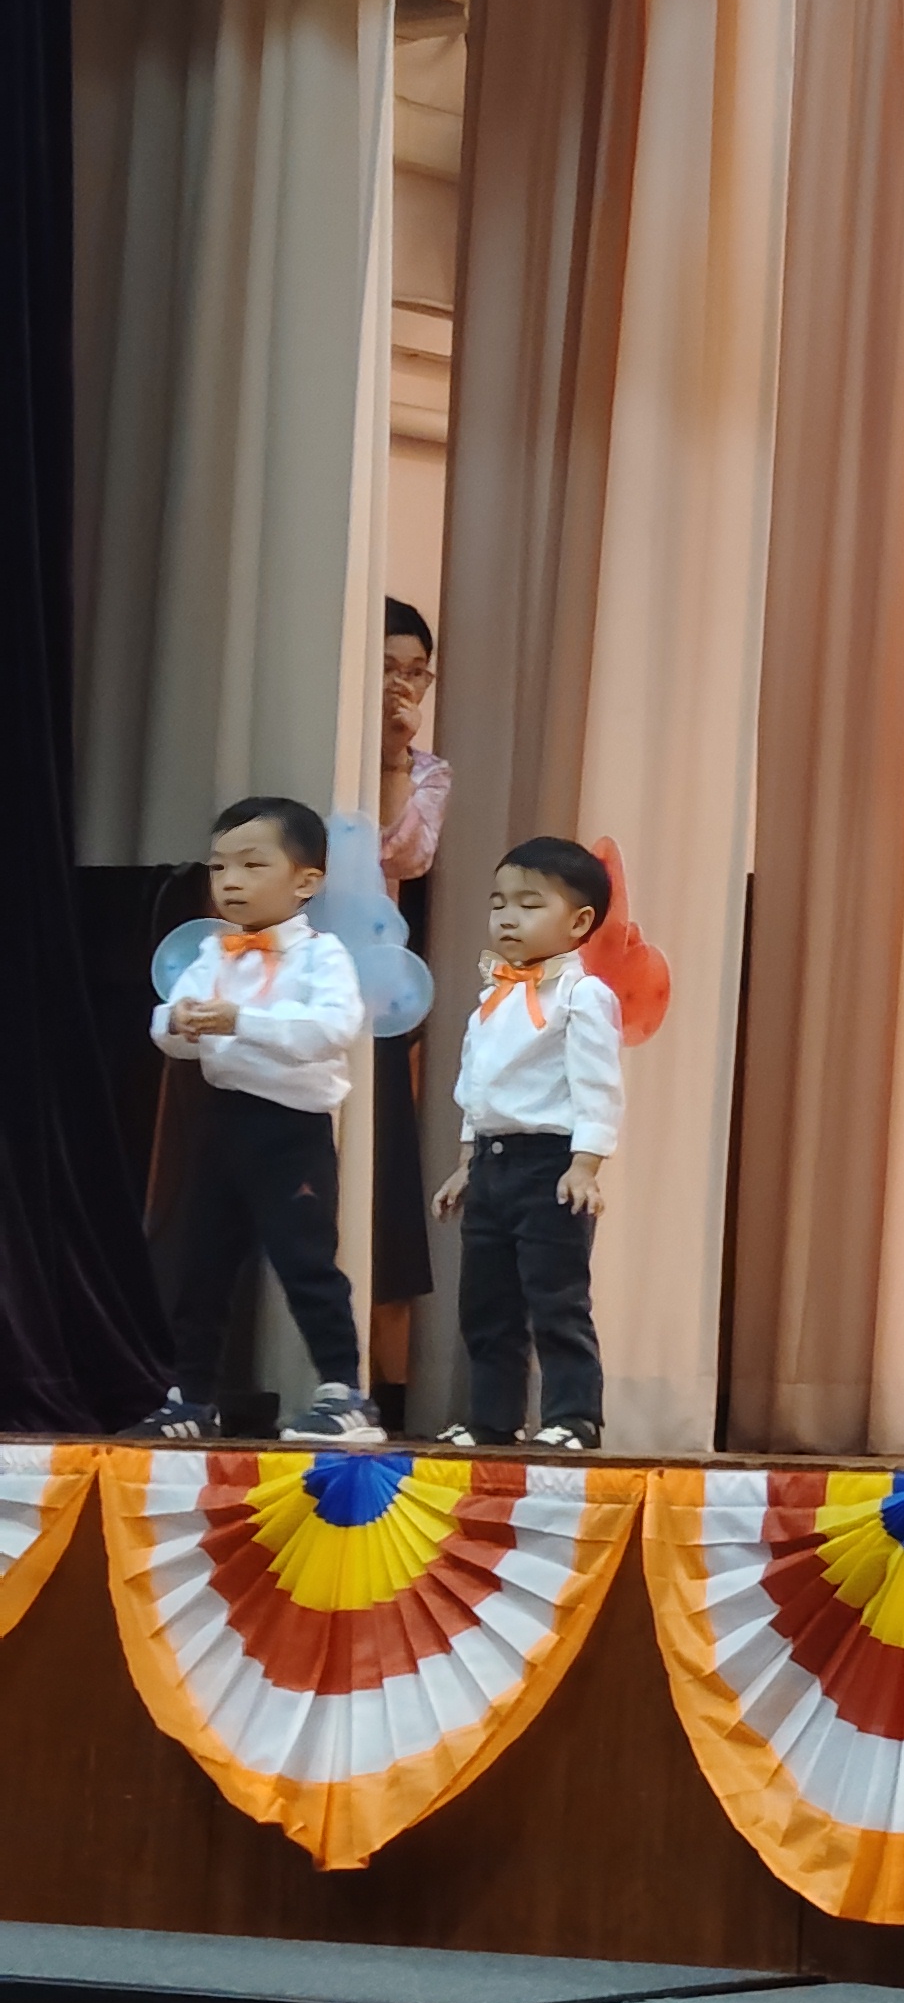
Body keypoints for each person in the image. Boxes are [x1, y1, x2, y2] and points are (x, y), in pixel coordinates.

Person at [134, 798, 379, 1446]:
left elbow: (332, 1030)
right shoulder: (213, 952)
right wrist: (178, 1022)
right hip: (222, 1123)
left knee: (306, 1264)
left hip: (291, 1132)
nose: (231, 882)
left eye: (251, 865)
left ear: (306, 881)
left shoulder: (323, 956)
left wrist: (241, 1020)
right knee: (203, 1264)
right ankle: (192, 1398)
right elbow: (167, 1028)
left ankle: (345, 1395)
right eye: (219, 868)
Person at [436, 836, 626, 1449]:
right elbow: (477, 1088)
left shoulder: (582, 995)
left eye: (529, 904)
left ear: (579, 922)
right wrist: (466, 1163)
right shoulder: (491, 998)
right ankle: (494, 1419)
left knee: (556, 1298)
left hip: (550, 1165)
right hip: (493, 1165)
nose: (507, 917)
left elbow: (597, 1085)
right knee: (486, 1303)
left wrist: (585, 1165)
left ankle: (574, 1419)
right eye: (498, 904)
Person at [370, 597, 451, 1415]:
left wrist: (394, 757)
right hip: (285, 989)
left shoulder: (427, 771)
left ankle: (385, 1394)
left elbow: (404, 854)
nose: (402, 684)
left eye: (416, 673)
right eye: (387, 667)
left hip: (375, 1003)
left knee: (384, 1191)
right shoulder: (310, 742)